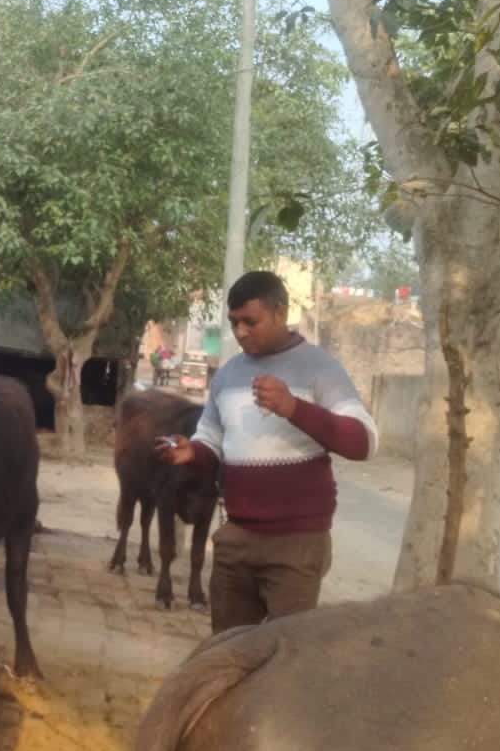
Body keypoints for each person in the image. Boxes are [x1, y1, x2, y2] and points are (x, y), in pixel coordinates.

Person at [156, 271, 377, 633]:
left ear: (281, 313)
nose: (241, 332)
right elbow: (211, 440)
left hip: (297, 545)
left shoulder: (320, 369)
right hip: (236, 540)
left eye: (250, 322)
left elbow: (363, 442)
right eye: (234, 323)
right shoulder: (227, 376)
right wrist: (191, 453)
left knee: (284, 660)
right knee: (227, 653)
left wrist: (294, 407)